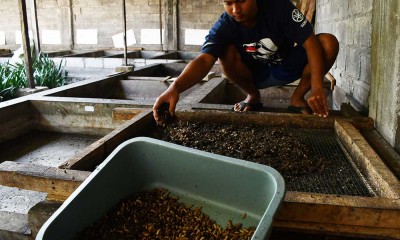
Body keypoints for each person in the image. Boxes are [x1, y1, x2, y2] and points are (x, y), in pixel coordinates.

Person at [153, 0, 339, 122]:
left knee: (327, 43)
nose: (235, 9)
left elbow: (311, 43)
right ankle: (253, 96)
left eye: (241, 0)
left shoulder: (279, 7)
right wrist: (174, 88)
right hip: (253, 77)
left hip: (287, 67)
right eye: (228, 3)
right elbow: (204, 60)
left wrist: (316, 88)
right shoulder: (224, 26)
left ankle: (297, 98)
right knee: (224, 50)